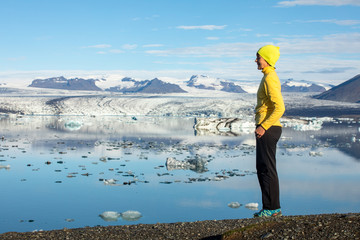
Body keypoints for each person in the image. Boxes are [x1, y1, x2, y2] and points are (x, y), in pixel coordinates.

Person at [253, 45, 285, 217]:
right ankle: (270, 207)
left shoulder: (270, 78)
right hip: (266, 128)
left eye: (258, 57)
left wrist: (263, 126)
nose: (256, 60)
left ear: (267, 59)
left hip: (268, 128)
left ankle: (272, 209)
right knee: (263, 167)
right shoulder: (267, 77)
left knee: (267, 168)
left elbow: (280, 108)